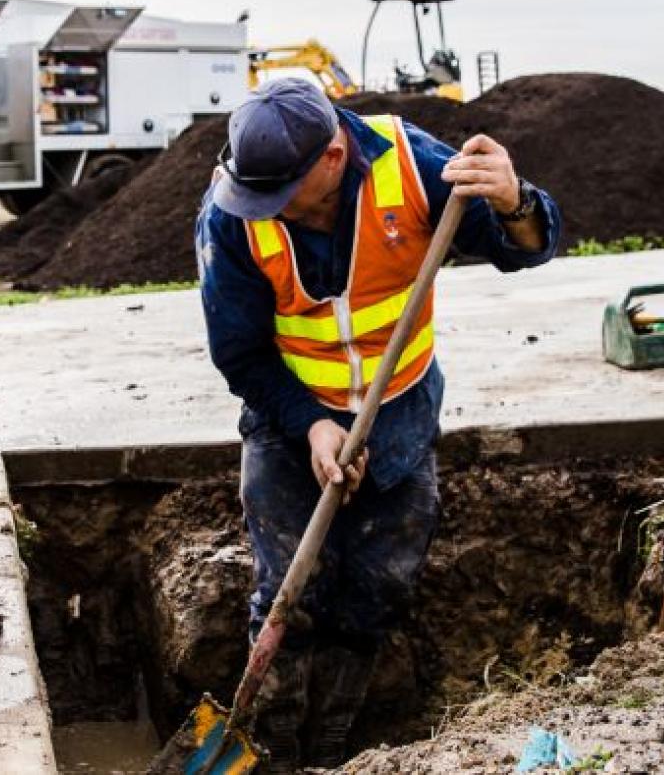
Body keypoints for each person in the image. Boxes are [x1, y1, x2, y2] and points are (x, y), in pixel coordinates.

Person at [194, 79, 561, 771]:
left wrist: (514, 202)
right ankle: (273, 751)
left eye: (282, 196)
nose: (266, 211)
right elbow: (239, 352)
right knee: (288, 591)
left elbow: (525, 249)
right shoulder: (231, 213)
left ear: (332, 157)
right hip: (287, 417)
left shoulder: (413, 166)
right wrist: (310, 425)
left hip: (398, 412)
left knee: (378, 587)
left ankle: (337, 749)